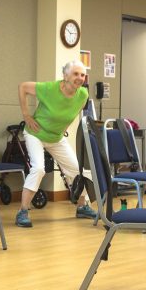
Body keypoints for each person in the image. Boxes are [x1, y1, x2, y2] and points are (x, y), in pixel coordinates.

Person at [16, 60, 97, 227]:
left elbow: (74, 112)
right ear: (65, 76)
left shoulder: (83, 94)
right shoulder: (49, 89)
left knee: (77, 170)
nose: (80, 78)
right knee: (38, 168)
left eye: (82, 75)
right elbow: (23, 87)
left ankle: (82, 206)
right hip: (36, 134)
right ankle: (23, 211)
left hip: (56, 138)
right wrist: (27, 116)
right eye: (75, 74)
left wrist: (63, 128)